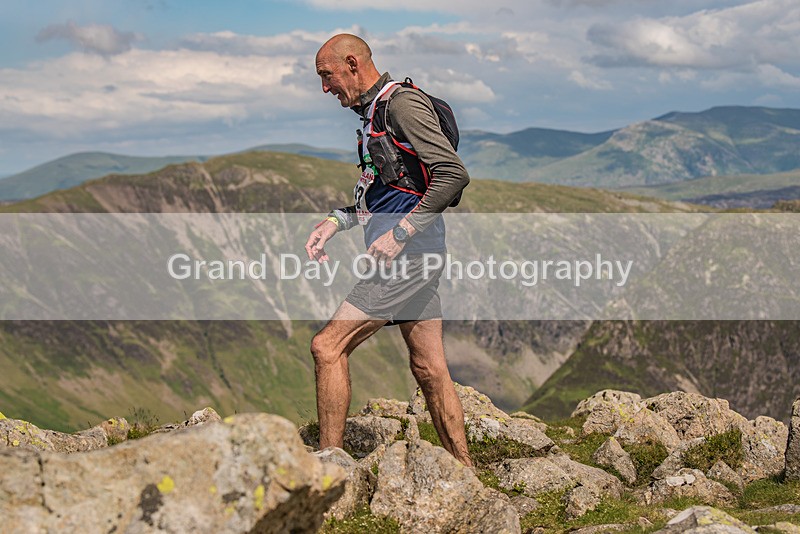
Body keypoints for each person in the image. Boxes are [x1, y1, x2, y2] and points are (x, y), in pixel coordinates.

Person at [306, 33, 472, 466]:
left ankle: (330, 470)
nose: (326, 88)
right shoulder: (374, 114)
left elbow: (452, 174)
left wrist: (401, 233)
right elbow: (385, 192)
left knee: (328, 347)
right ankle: (466, 474)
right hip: (418, 252)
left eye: (328, 76)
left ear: (352, 64)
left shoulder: (401, 106)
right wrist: (336, 221)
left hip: (408, 257)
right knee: (430, 369)